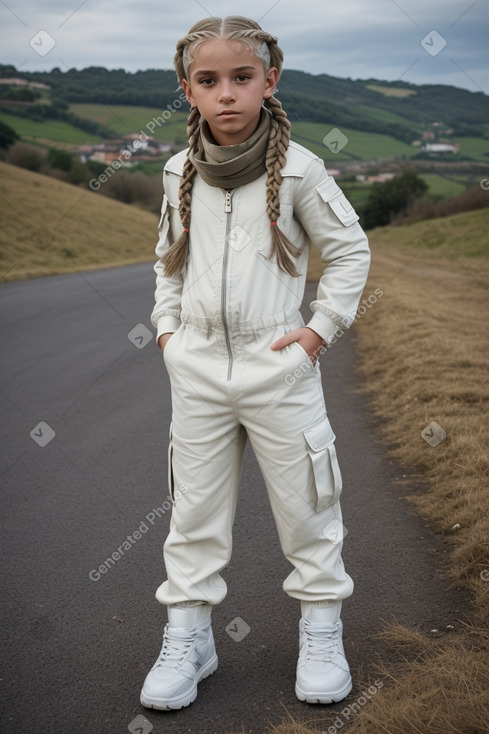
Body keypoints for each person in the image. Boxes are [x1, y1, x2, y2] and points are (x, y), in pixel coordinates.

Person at [141, 15, 370, 711]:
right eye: (208, 81)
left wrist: (317, 333)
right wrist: (168, 333)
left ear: (269, 80)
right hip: (199, 371)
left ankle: (321, 632)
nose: (227, 94)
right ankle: (189, 639)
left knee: (307, 508)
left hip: (280, 366)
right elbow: (166, 261)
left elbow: (351, 252)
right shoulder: (178, 170)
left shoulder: (302, 168)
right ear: (188, 90)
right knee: (193, 515)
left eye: (242, 77)